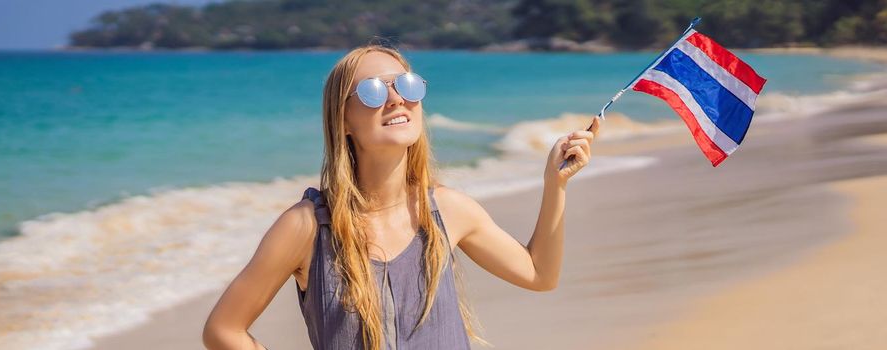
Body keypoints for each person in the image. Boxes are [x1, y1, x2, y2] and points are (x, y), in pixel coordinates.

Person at [202, 43, 599, 350]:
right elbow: (223, 329)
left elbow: (539, 274)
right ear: (343, 120)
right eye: (373, 91)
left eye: (407, 85)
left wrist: (555, 185)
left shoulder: (447, 210)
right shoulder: (307, 226)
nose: (396, 99)